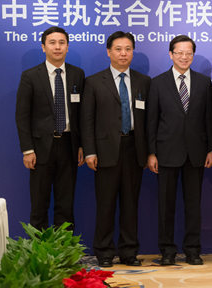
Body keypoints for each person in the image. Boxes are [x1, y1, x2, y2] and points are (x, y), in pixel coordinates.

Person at [81, 31, 150, 268]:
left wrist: (149, 152)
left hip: (134, 149)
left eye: (128, 49)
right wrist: (89, 151)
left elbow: (148, 121)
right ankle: (104, 251)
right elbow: (86, 120)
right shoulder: (93, 82)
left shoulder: (143, 81)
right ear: (109, 52)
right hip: (105, 150)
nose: (123, 53)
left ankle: (129, 251)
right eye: (118, 49)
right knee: (106, 203)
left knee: (131, 204)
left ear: (133, 52)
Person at [146, 35, 212, 266]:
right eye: (179, 53)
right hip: (166, 153)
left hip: (196, 153)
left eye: (188, 53)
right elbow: (151, 121)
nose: (184, 57)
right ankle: (167, 251)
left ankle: (193, 250)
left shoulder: (205, 82)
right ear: (171, 54)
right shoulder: (157, 83)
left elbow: (209, 120)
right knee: (166, 206)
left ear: (192, 55)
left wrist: (211, 149)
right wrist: (151, 152)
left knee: (193, 206)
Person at [15, 26, 85, 231]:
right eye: (52, 43)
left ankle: (65, 254)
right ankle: (40, 255)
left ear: (67, 47)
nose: (57, 47)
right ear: (43, 47)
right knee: (39, 205)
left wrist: (82, 145)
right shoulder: (30, 76)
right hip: (40, 148)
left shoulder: (77, 74)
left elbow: (82, 114)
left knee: (66, 205)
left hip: (69, 146)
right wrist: (27, 149)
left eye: (61, 43)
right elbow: (22, 116)